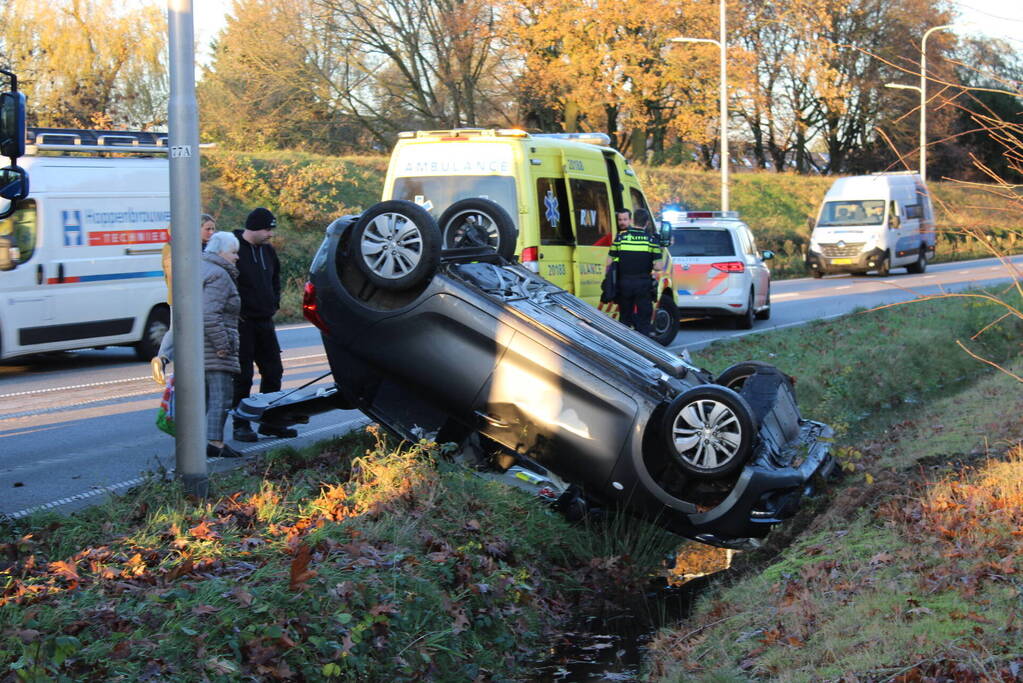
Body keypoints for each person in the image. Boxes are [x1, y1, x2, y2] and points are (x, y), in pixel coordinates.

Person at [231, 207, 295, 442]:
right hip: (242, 323)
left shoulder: (268, 251)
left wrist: (274, 303)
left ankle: (270, 421)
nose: (270, 234)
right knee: (243, 376)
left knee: (273, 371)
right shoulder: (234, 248)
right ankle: (241, 424)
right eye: (267, 229)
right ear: (255, 227)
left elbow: (275, 279)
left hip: (265, 321)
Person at [151, 214, 217, 384]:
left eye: (213, 229)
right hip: (184, 298)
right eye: (207, 228)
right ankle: (163, 359)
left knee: (183, 332)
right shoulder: (177, 248)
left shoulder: (204, 247)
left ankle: (170, 362)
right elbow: (175, 275)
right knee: (179, 331)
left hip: (194, 298)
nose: (211, 232)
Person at [201, 231, 244, 459]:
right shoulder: (219, 275)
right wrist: (223, 344)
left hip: (198, 346)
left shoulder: (201, 268)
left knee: (204, 398)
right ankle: (215, 443)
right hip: (214, 347)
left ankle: (197, 443)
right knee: (221, 396)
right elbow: (209, 314)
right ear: (220, 253)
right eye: (233, 252)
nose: (237, 257)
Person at [608, 208, 664, 336]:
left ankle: (624, 346)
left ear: (632, 220)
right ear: (647, 223)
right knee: (644, 320)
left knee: (624, 318)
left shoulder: (621, 238)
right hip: (643, 285)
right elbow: (658, 266)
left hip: (624, 283)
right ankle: (643, 347)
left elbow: (609, 261)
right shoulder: (651, 240)